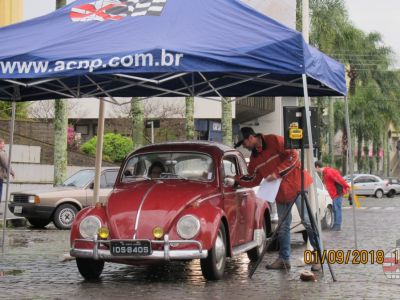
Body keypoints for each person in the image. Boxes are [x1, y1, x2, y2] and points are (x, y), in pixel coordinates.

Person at [233, 127, 319, 271]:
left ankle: (318, 258)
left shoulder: (274, 140)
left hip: (297, 185)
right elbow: (253, 178)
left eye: (244, 143)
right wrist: (236, 180)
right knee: (283, 227)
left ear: (251, 138)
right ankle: (284, 260)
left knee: (307, 221)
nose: (244, 147)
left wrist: (277, 173)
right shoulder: (254, 159)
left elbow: (294, 156)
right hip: (280, 193)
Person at [314, 161, 349, 231]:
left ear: (317, 167)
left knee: (337, 209)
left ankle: (337, 226)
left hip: (337, 193)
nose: (315, 170)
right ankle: (335, 225)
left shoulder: (329, 172)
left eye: (314, 168)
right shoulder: (324, 173)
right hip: (334, 194)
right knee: (335, 210)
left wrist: (347, 187)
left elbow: (340, 179)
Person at [0, 138, 15, 205]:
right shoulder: (2, 153)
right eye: (3, 144)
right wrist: (12, 172)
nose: (4, 145)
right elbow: (6, 164)